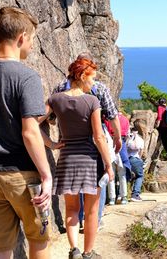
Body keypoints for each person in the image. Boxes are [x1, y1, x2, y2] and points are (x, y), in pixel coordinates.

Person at [0, 7, 52, 259]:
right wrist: (46, 175)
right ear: (21, 37)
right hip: (23, 177)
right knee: (39, 241)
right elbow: (30, 133)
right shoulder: (26, 77)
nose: (30, 46)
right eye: (31, 39)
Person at [39, 58, 114, 259]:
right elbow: (98, 137)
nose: (93, 84)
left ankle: (74, 250)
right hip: (90, 160)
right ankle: (89, 253)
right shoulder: (92, 101)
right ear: (82, 76)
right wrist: (108, 164)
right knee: (91, 210)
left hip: (66, 158)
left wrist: (51, 144)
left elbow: (33, 123)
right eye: (92, 79)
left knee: (72, 208)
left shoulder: (55, 99)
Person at [52, 52, 121, 229]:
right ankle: (94, 220)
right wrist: (117, 136)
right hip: (94, 145)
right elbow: (112, 115)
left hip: (67, 142)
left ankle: (81, 218)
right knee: (98, 181)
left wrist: (51, 142)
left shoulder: (59, 88)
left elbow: (50, 118)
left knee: (77, 185)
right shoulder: (99, 88)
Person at [105, 111, 132, 205]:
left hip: (110, 145)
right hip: (122, 145)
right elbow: (128, 134)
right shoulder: (125, 119)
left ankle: (112, 198)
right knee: (122, 174)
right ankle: (124, 197)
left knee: (110, 174)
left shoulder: (108, 119)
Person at [127, 120, 146, 202]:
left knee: (125, 176)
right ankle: (135, 194)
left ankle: (120, 195)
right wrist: (140, 159)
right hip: (135, 159)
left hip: (126, 159)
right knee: (140, 176)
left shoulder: (128, 138)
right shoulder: (140, 140)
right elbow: (141, 152)